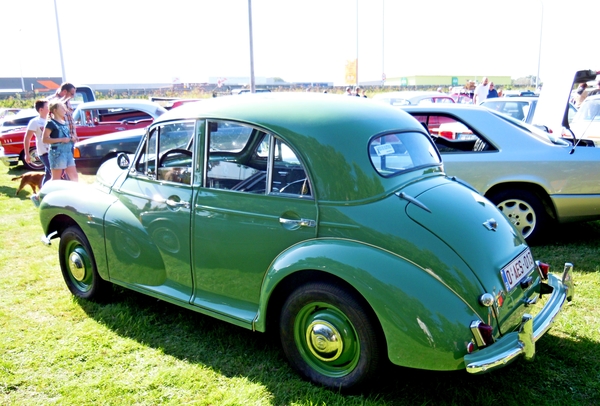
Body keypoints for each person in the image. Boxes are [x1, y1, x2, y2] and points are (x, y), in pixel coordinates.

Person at [42, 101, 78, 182]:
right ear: (55, 110)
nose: (64, 110)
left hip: (68, 152)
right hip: (57, 153)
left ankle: (74, 194)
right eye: (62, 108)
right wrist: (61, 139)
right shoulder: (50, 123)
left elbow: (67, 136)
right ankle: (45, 193)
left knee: (74, 177)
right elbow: (44, 139)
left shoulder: (64, 123)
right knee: (56, 179)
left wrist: (72, 138)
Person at [23, 99, 51, 185]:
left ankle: (41, 194)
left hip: (53, 150)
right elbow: (27, 138)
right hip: (44, 151)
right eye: (47, 107)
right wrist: (27, 154)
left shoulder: (51, 120)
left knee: (49, 174)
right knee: (54, 171)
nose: (49, 108)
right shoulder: (35, 122)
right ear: (41, 110)